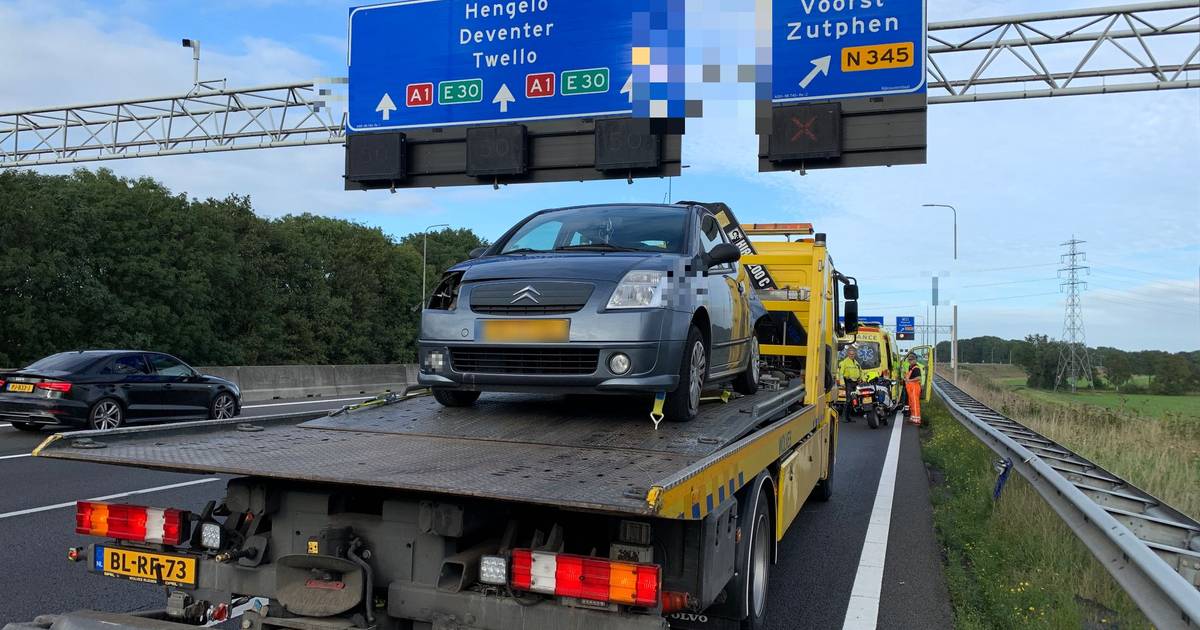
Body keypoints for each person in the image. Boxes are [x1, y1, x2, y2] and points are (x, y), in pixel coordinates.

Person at [839, 346, 863, 423]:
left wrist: (861, 379)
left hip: (855, 383)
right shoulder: (844, 362)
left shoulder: (856, 363)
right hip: (848, 382)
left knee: (853, 400)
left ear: (855, 354)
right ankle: (844, 418)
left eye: (853, 354)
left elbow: (860, 372)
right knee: (848, 400)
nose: (851, 355)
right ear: (848, 354)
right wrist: (842, 383)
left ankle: (848, 417)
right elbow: (840, 374)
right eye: (850, 354)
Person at [904, 353, 923, 426]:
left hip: (914, 388)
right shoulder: (911, 367)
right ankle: (913, 418)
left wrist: (909, 380)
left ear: (915, 360)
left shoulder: (916, 368)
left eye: (911, 360)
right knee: (911, 404)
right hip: (911, 389)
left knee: (915, 404)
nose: (910, 361)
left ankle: (917, 420)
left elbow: (918, 378)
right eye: (909, 360)